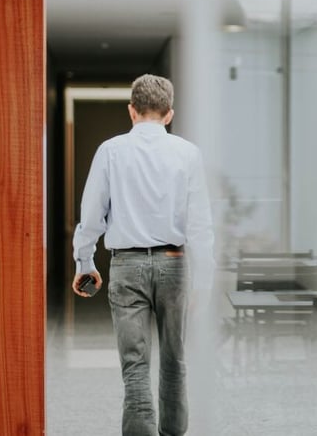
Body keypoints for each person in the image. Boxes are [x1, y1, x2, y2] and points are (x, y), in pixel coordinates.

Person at [72, 74, 214, 436]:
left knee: (135, 365)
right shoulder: (187, 153)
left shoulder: (110, 150)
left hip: (127, 265)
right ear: (169, 114)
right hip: (175, 265)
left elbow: (91, 215)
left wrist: (84, 262)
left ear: (131, 111)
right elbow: (200, 224)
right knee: (175, 359)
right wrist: (204, 280)